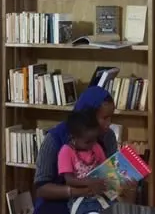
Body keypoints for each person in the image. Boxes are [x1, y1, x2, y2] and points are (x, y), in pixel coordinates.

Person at [33, 86, 119, 214]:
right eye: (105, 118)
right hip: (58, 203)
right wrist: (82, 191)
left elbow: (111, 174)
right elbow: (41, 189)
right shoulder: (54, 139)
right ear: (87, 116)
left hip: (97, 199)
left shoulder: (108, 136)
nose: (109, 124)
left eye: (111, 118)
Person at [59, 110, 110, 214]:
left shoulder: (96, 147)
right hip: (80, 199)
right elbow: (69, 180)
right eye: (87, 142)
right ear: (73, 137)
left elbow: (106, 169)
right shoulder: (66, 151)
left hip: (102, 196)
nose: (92, 144)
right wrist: (89, 182)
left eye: (95, 139)